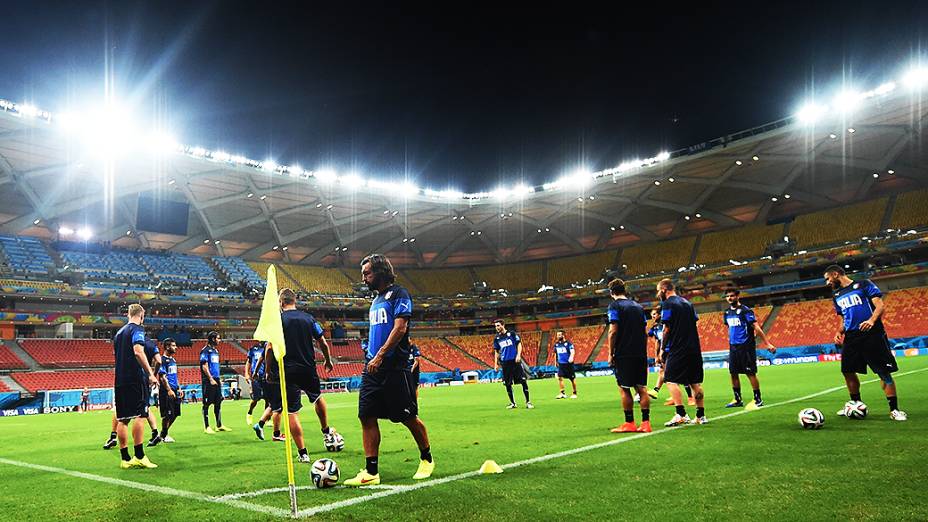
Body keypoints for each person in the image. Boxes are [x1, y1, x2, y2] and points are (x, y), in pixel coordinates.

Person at [344, 254, 433, 487]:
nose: (363, 278)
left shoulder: (400, 294)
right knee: (366, 415)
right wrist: (371, 356)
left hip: (394, 367)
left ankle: (427, 458)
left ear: (381, 272)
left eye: (367, 273)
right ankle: (371, 472)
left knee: (407, 417)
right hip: (372, 368)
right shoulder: (375, 301)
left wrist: (381, 354)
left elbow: (400, 328)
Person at [256, 288, 342, 459]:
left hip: (287, 371)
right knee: (317, 397)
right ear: (294, 301)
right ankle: (325, 431)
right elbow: (323, 342)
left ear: (281, 302)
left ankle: (303, 453)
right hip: (308, 367)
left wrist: (267, 371)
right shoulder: (308, 318)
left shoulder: (278, 321)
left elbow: (269, 349)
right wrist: (327, 359)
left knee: (292, 413)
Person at [824, 266, 907, 421]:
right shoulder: (836, 295)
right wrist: (839, 332)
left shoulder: (864, 284)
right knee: (847, 371)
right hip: (851, 337)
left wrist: (871, 320)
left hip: (872, 334)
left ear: (836, 274)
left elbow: (880, 305)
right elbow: (843, 317)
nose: (827, 282)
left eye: (828, 278)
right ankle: (856, 403)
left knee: (883, 372)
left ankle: (894, 410)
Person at [113, 304, 158, 469]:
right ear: (142, 315)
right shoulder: (137, 329)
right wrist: (150, 373)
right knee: (141, 415)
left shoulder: (118, 333)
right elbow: (138, 351)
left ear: (128, 315)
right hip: (135, 379)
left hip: (120, 379)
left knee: (123, 419)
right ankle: (139, 455)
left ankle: (125, 459)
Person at [657, 279, 707, 426]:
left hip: (678, 347)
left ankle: (681, 414)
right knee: (694, 382)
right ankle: (701, 416)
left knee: (670, 380)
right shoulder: (687, 303)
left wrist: (662, 350)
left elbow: (667, 328)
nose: (658, 293)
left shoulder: (668, 304)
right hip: (693, 348)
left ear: (665, 289)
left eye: (658, 290)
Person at [606, 279, 652, 433]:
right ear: (624, 290)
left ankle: (629, 423)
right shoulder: (638, 307)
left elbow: (613, 331)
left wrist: (610, 353)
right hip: (640, 352)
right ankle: (646, 423)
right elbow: (645, 332)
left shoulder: (614, 306)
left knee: (624, 388)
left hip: (624, 352)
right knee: (641, 388)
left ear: (611, 292)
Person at [723, 288, 776, 407]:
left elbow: (756, 327)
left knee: (750, 373)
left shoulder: (745, 311)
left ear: (737, 296)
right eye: (727, 296)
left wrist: (767, 343)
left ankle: (758, 399)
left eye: (732, 296)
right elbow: (730, 328)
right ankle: (737, 399)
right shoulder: (726, 313)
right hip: (733, 347)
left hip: (746, 346)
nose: (729, 298)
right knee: (733, 373)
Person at [492, 319, 533, 409]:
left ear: (503, 325)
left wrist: (518, 355)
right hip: (505, 363)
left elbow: (519, 344)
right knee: (508, 383)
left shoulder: (512, 334)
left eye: (498, 325)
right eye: (496, 326)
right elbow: (496, 351)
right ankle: (513, 403)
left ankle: (528, 402)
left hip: (515, 361)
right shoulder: (497, 338)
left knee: (523, 381)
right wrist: (496, 364)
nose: (497, 328)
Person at [200, 331, 230, 433]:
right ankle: (207, 427)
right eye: (218, 338)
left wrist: (218, 379)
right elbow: (204, 366)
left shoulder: (216, 351)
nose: (219, 340)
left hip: (216, 379)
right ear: (213, 339)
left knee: (218, 402)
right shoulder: (205, 351)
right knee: (207, 404)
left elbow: (216, 366)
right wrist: (211, 379)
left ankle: (219, 425)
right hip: (208, 380)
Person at [157, 338, 182, 443]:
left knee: (175, 413)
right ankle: (164, 435)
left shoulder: (173, 360)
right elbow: (162, 377)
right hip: (167, 391)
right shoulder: (162, 360)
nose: (176, 347)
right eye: (173, 345)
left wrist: (179, 388)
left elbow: (174, 376)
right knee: (167, 415)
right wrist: (169, 390)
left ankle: (163, 434)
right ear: (167, 347)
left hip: (175, 389)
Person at [245, 341, 270, 426]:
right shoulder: (253, 349)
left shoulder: (268, 347)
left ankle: (267, 419)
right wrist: (246, 374)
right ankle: (249, 413)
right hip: (255, 377)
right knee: (255, 399)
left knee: (268, 399)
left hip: (266, 376)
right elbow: (248, 361)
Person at [552, 331, 577, 399]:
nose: (558, 336)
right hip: (561, 364)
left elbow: (572, 351)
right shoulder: (556, 344)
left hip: (568, 364)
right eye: (557, 335)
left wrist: (571, 357)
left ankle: (574, 393)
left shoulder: (568, 344)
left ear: (563, 335)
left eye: (559, 335)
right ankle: (562, 393)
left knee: (572, 378)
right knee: (560, 377)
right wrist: (555, 362)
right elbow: (555, 353)